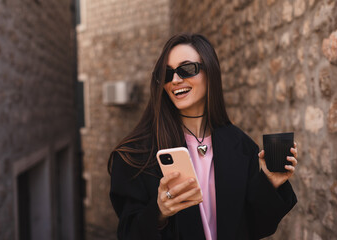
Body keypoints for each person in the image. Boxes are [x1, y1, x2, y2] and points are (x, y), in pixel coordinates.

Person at [108, 33, 298, 240]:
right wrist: (159, 212)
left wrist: (269, 184)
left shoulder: (241, 146)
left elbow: (255, 228)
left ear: (210, 72)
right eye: (167, 73)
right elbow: (128, 233)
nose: (175, 80)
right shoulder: (135, 155)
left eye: (187, 69)